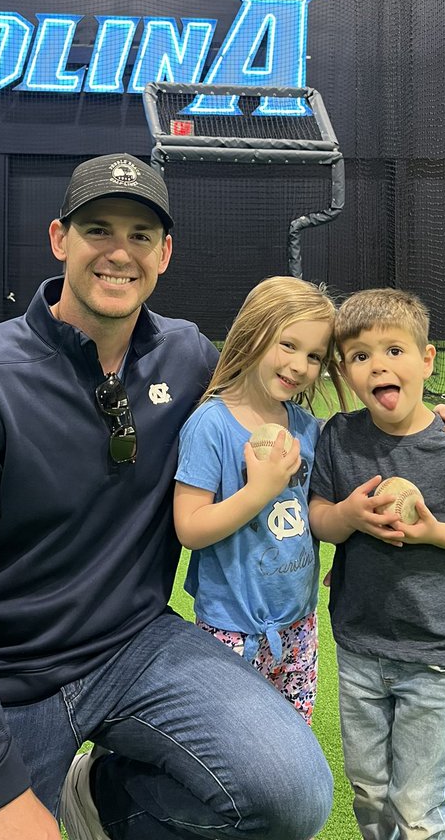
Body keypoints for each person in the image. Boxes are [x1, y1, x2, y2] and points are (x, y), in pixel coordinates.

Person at [0, 153, 445, 840]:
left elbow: (279, 391)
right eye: (98, 229)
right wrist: (1, 792)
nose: (118, 253)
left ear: (165, 253)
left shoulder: (186, 356)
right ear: (58, 239)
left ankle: (102, 793)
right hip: (10, 673)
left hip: (137, 645)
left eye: (139, 235)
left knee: (293, 795)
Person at [309, 288, 445, 840]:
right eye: (360, 356)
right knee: (370, 792)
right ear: (345, 372)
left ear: (427, 359)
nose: (378, 364)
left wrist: (433, 532)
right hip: (359, 647)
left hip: (433, 654)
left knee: (419, 811)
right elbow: (318, 519)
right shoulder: (340, 439)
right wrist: (349, 515)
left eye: (395, 350)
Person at [174, 276, 344, 724]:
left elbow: (314, 516)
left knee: (290, 737)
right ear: (253, 332)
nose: (300, 365)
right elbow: (190, 528)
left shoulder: (306, 427)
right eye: (287, 345)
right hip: (230, 628)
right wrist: (259, 491)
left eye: (314, 356)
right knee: (228, 742)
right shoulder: (210, 425)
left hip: (299, 622)